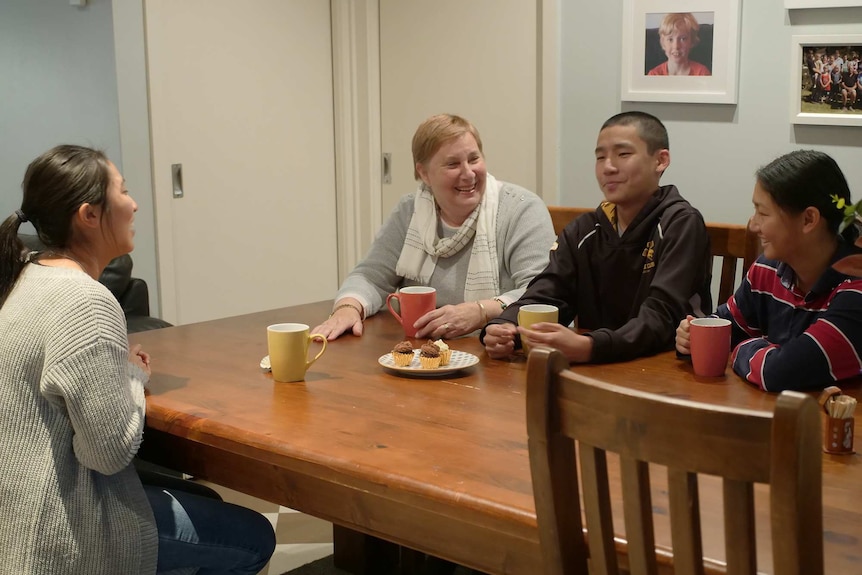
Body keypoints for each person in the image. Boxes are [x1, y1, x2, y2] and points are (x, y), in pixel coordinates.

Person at [0, 145, 276, 574]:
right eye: (123, 191)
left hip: (18, 519)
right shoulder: (86, 301)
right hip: (64, 535)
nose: (134, 204)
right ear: (89, 215)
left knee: (206, 502)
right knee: (253, 536)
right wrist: (131, 374)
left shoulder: (28, 280)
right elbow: (109, 452)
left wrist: (115, 362)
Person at [482, 112, 712, 363]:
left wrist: (589, 346)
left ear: (660, 160)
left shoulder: (680, 223)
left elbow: (661, 318)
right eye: (600, 157)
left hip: (664, 367)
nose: (608, 167)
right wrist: (504, 327)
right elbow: (547, 294)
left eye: (623, 154)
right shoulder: (584, 230)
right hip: (597, 367)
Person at [313, 113, 556, 341]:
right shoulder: (411, 210)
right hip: (421, 353)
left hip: (496, 355)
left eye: (474, 159)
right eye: (453, 164)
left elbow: (541, 294)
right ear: (424, 173)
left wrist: (481, 311)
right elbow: (371, 277)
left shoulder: (522, 209)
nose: (468, 173)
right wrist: (347, 308)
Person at [676, 150, 862, 392]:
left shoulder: (856, 289)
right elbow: (723, 328)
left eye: (763, 213)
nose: (753, 225)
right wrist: (690, 338)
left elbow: (779, 373)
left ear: (808, 219)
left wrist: (743, 347)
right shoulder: (768, 269)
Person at [647, 13, 711, 76]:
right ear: (663, 43)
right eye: (670, 39)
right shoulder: (654, 75)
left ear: (692, 41)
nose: (676, 46)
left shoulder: (702, 73)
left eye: (683, 39)